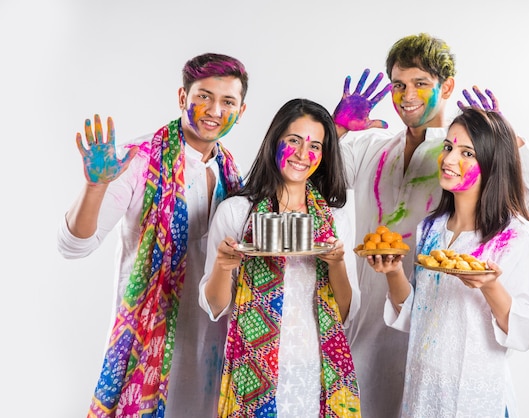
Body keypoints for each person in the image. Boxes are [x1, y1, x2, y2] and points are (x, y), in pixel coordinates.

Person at [331, 33, 529, 417]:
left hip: (457, 367)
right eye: (399, 85)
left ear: (447, 86)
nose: (408, 96)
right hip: (374, 334)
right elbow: (305, 175)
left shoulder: (474, 165)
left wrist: (508, 144)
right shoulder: (372, 148)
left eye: (421, 84)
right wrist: (337, 130)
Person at [57, 53, 248, 417]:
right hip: (149, 340)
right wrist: (95, 186)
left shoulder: (231, 170)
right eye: (203, 96)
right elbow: (74, 245)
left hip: (211, 338)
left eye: (227, 101)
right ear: (182, 98)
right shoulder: (138, 159)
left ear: (241, 110)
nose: (214, 110)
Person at [368, 107, 529, 417]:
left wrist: (490, 286)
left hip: (476, 397)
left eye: (467, 153)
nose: (449, 159)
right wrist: (393, 271)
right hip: (423, 393)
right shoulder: (431, 228)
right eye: (449, 147)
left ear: (492, 164)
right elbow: (416, 317)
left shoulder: (515, 236)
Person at [198, 98, 361, 417]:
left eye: (315, 145)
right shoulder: (237, 212)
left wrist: (337, 263)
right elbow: (215, 306)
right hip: (252, 370)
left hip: (315, 368)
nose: (304, 154)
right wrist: (222, 265)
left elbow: (344, 313)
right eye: (294, 141)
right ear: (275, 141)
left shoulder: (335, 219)